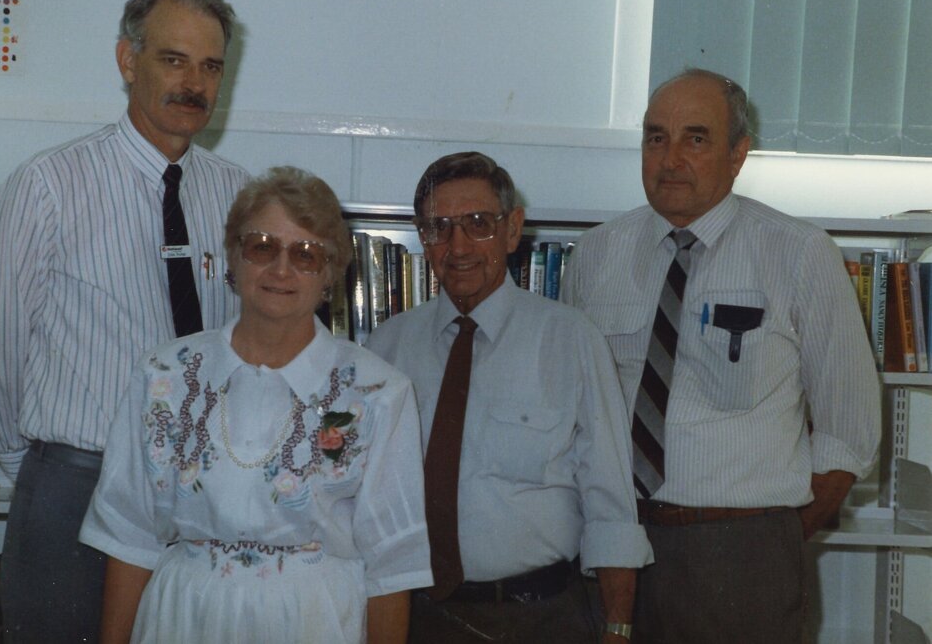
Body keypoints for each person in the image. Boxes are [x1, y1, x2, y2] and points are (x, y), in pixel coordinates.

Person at [0, 0, 250, 642]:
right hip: (76, 490)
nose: (193, 84)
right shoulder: (49, 185)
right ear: (127, 60)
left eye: (209, 67)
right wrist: (40, 468)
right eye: (174, 60)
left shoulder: (237, 196)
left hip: (205, 495)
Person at [561, 69, 881, 643]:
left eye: (696, 138)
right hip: (612, 545)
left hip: (741, 557)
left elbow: (848, 436)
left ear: (738, 154)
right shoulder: (595, 255)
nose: (671, 158)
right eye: (656, 137)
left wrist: (766, 536)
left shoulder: (800, 254)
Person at [79, 167, 431, 643]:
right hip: (184, 618)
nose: (281, 269)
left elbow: (393, 567)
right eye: (262, 246)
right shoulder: (162, 375)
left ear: (330, 274)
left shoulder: (376, 392)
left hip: (315, 621)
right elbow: (129, 538)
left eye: (306, 255)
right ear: (233, 256)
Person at [366, 151, 652, 644]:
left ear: (512, 229)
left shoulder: (571, 340)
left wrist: (618, 628)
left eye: (478, 224)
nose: (458, 246)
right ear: (422, 237)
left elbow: (611, 504)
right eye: (440, 227)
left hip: (539, 618)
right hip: (417, 618)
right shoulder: (385, 349)